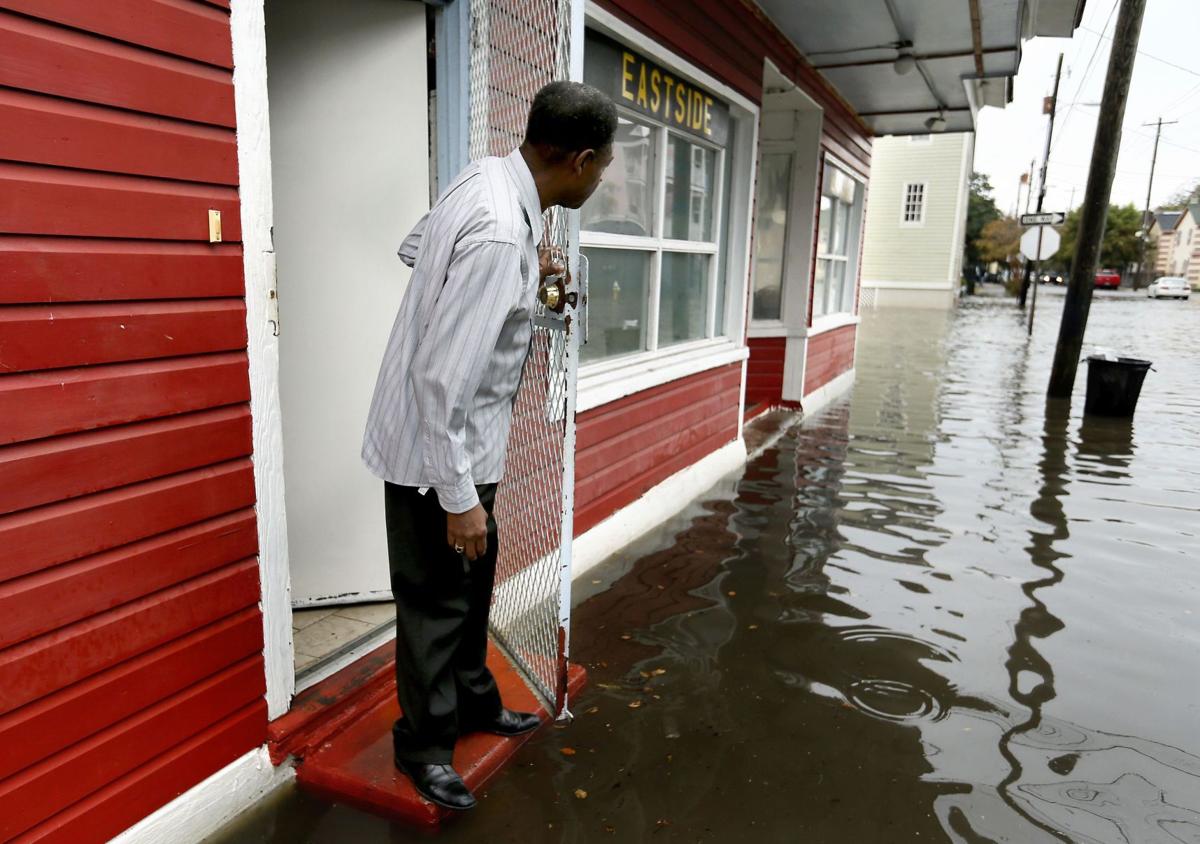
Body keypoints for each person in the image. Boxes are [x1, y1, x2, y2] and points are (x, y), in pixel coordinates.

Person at [361, 81, 616, 811]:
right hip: (436, 458)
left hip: (461, 450)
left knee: (469, 593)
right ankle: (425, 748)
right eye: (601, 170)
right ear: (580, 158)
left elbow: (417, 246)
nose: (600, 182)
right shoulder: (506, 232)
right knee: (436, 604)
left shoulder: (483, 180)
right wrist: (459, 500)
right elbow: (439, 380)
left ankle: (474, 704)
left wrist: (522, 283)